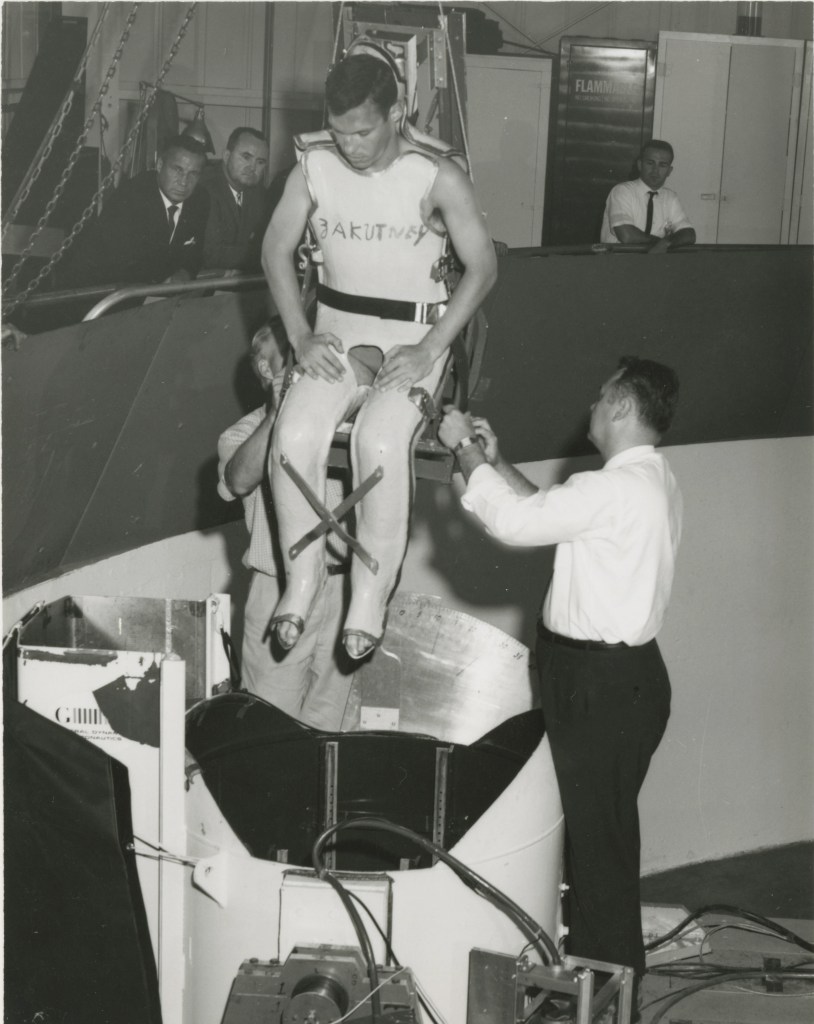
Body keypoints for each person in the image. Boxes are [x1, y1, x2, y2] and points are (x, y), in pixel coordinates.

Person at [438, 357, 683, 1023]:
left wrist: (462, 445)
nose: (594, 407)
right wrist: (493, 462)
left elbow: (515, 526)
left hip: (599, 686)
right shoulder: (645, 480)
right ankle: (596, 990)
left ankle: (608, 1006)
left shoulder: (614, 489)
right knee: (597, 842)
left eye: (605, 398)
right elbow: (544, 513)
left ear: (625, 411)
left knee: (597, 855)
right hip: (614, 681)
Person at [261, 52, 497, 661]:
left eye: (363, 131)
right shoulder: (313, 166)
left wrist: (430, 349)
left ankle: (369, 593)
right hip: (337, 329)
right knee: (293, 436)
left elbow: (483, 266)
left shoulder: (436, 174)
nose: (351, 146)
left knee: (382, 442)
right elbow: (275, 250)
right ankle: (302, 579)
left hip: (414, 339)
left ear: (396, 113)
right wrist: (298, 333)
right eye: (339, 132)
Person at [217, 317, 353, 731]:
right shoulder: (240, 433)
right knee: (270, 727)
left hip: (342, 589)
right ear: (265, 369)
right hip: (277, 588)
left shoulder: (341, 426)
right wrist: (278, 415)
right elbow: (237, 480)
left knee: (333, 724)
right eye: (295, 355)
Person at [59, 135, 209, 288]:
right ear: (159, 165)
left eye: (193, 174)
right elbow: (122, 265)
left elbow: (195, 253)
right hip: (101, 291)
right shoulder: (131, 197)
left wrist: (185, 273)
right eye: (178, 170)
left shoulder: (200, 200)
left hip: (152, 293)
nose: (184, 181)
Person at [600, 140, 696, 253]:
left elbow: (689, 234)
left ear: (669, 171)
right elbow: (627, 235)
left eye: (662, 165)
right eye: (650, 163)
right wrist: (660, 244)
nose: (655, 170)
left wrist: (666, 243)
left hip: (652, 264)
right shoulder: (622, 191)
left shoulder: (670, 197)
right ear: (640, 165)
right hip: (619, 263)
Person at [200, 127, 271, 274]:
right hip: (203, 286)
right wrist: (263, 253)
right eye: (246, 157)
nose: (252, 167)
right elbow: (211, 254)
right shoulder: (204, 188)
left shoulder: (259, 193)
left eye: (260, 162)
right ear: (226, 156)